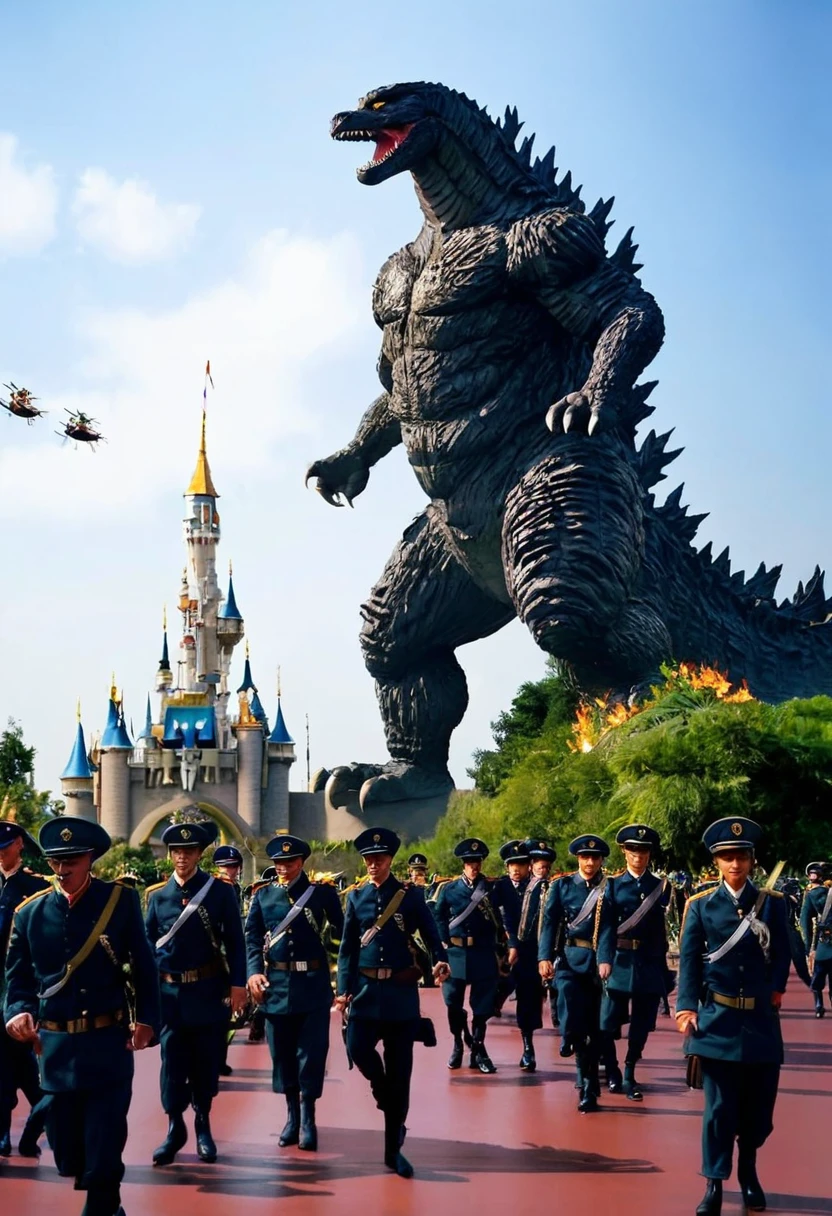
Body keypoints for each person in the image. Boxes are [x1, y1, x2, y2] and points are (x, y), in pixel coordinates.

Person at [4, 816, 160, 1216]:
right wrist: (17, 1012)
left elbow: (144, 966)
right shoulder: (30, 913)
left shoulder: (118, 901)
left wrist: (147, 1021)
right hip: (55, 1049)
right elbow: (18, 980)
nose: (62, 869)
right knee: (68, 1152)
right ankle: (100, 1190)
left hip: (107, 1043)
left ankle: (105, 1205)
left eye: (72, 859)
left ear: (90, 858)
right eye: (56, 861)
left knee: (105, 1148)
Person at [676, 817, 790, 1216]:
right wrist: (686, 1006)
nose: (734, 864)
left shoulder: (774, 905)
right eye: (727, 858)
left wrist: (777, 987)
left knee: (759, 1111)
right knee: (719, 1110)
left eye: (741, 857)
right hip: (717, 1020)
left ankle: (748, 1167)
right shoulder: (701, 906)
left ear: (752, 860)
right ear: (717, 864)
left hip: (760, 1022)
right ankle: (714, 1182)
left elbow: (783, 953)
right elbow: (689, 960)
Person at [336, 827, 449, 1178]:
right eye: (368, 859)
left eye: (379, 859)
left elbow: (431, 934)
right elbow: (347, 950)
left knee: (401, 1076)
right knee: (357, 1049)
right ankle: (381, 1090)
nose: (373, 864)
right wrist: (343, 989)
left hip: (400, 997)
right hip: (366, 994)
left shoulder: (410, 897)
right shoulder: (355, 898)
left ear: (390, 860)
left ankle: (392, 1151)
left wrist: (440, 958)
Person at [145, 820, 247, 1166]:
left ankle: (203, 1123)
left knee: (205, 1063)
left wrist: (238, 986)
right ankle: (175, 1126)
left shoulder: (219, 892)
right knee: (171, 1064)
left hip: (208, 992)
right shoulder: (157, 897)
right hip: (170, 997)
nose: (182, 858)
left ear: (199, 854)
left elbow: (236, 942)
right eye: (176, 852)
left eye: (188, 852)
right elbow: (146, 948)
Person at [245, 834, 344, 1151]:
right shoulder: (263, 897)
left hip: (313, 987)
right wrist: (253, 973)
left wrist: (344, 980)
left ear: (301, 863)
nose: (284, 868)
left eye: (290, 862)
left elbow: (344, 935)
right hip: (276, 988)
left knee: (312, 1056)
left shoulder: (321, 894)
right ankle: (291, 1116)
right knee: (283, 1056)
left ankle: (309, 1119)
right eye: (279, 863)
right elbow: (251, 941)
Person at [538, 834, 613, 1113]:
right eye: (585, 857)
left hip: (594, 963)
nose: (590, 862)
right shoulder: (562, 886)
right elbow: (549, 923)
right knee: (568, 998)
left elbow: (607, 927)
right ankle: (567, 1034)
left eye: (594, 857)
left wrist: (605, 959)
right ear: (578, 859)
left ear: (601, 860)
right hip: (568, 959)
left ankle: (589, 1086)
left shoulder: (608, 888)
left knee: (593, 1028)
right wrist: (544, 957)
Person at [598, 824, 670, 1101]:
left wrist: (663, 970)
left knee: (641, 1025)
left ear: (650, 854)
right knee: (606, 1022)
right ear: (624, 852)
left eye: (643, 850)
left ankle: (629, 1071)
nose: (638, 855)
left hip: (648, 963)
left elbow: (661, 931)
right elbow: (605, 927)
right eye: (633, 850)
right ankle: (612, 1069)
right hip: (619, 960)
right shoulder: (613, 886)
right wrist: (604, 959)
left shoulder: (660, 887)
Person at [0, 820, 50, 1158]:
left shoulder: (35, 887)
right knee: (6, 1063)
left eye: (5, 848)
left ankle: (38, 1119)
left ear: (18, 845)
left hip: (22, 990)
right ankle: (8, 1130)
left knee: (20, 1063)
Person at [432, 838, 503, 1074]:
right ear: (463, 864)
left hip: (482, 952)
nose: (474, 866)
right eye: (469, 862)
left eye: (477, 861)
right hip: (455, 953)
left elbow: (502, 920)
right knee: (453, 1004)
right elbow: (438, 916)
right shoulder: (450, 889)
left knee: (482, 1007)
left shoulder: (492, 888)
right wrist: (442, 943)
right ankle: (459, 1042)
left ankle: (479, 1049)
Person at [493, 840, 544, 1070]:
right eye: (512, 864)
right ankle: (475, 1044)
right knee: (493, 993)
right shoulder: (499, 888)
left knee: (528, 999)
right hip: (503, 953)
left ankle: (528, 1048)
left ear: (529, 865)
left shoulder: (538, 888)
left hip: (530, 953)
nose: (516, 868)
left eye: (521, 864)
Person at [800, 861, 832, 1018]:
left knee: (818, 973)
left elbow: (804, 922)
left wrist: (808, 948)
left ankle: (819, 1004)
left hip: (823, 942)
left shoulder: (812, 894)